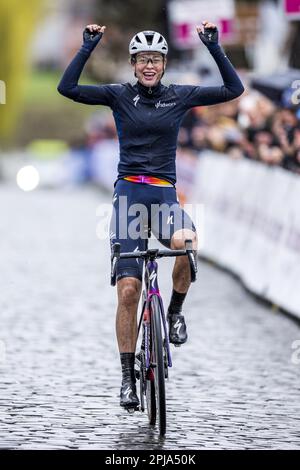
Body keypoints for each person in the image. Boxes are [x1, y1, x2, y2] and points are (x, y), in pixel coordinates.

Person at [57, 21, 244, 409]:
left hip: (163, 197)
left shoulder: (179, 96)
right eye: (142, 59)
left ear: (164, 64)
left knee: (187, 244)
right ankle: (127, 376)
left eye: (155, 60)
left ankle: (174, 312)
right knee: (128, 291)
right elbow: (68, 88)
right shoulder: (119, 95)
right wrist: (88, 45)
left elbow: (232, 89)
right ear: (133, 64)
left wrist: (213, 45)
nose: (149, 66)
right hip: (128, 195)